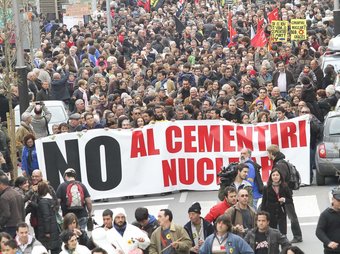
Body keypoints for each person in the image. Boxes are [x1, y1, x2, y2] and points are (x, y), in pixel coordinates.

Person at [267, 145, 302, 243]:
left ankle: (297, 236)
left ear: (272, 154)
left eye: (268, 153)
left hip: (284, 194)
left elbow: (281, 180)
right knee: (289, 214)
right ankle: (295, 235)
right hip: (286, 193)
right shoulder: (282, 162)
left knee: (290, 215)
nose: (267, 156)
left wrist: (280, 194)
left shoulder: (279, 165)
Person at [260, 169, 292, 236]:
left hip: (281, 212)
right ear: (271, 177)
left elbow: (290, 200)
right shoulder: (267, 188)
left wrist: (284, 199)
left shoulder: (285, 186)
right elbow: (264, 202)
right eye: (273, 175)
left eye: (277, 175)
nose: (275, 177)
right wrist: (262, 214)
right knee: (272, 234)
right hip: (270, 213)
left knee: (282, 234)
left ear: (280, 176)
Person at [36, 181, 61, 254]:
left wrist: (47, 231)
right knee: (55, 248)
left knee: (44, 249)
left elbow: (46, 217)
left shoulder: (43, 201)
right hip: (54, 228)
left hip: (46, 230)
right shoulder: (50, 199)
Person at [316, 186, 340, 254]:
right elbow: (319, 231)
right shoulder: (325, 214)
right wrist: (328, 242)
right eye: (338, 201)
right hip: (332, 251)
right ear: (333, 199)